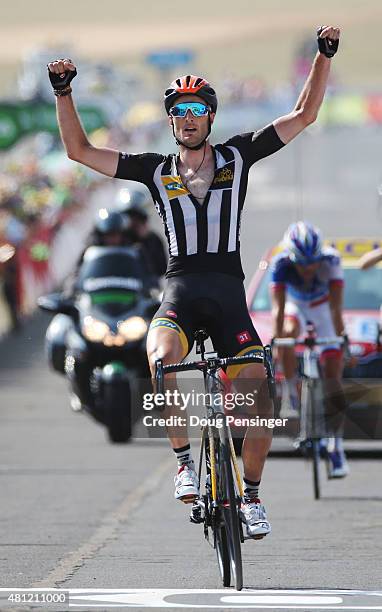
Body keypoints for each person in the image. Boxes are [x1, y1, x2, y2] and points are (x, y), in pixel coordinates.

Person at [47, 25, 340, 539]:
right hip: (180, 293)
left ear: (209, 115)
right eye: (178, 111)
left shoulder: (237, 155)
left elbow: (304, 115)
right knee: (159, 358)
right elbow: (79, 151)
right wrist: (64, 93)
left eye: (195, 109)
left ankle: (250, 497)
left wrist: (323, 55)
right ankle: (185, 462)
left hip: (228, 296)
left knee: (259, 402)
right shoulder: (154, 170)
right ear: (171, 121)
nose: (187, 118)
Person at [270, 221, 349, 477]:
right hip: (296, 307)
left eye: (312, 262)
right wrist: (276, 341)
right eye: (301, 263)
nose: (307, 269)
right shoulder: (280, 263)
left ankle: (336, 446)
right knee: (287, 333)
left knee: (333, 377)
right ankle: (292, 388)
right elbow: (278, 311)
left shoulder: (332, 260)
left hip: (323, 309)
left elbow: (337, 309)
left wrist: (340, 340)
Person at [116, 187, 167, 278]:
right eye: (129, 217)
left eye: (136, 218)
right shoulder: (116, 237)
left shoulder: (153, 239)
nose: (132, 222)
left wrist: (144, 241)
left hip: (143, 287)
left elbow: (161, 269)